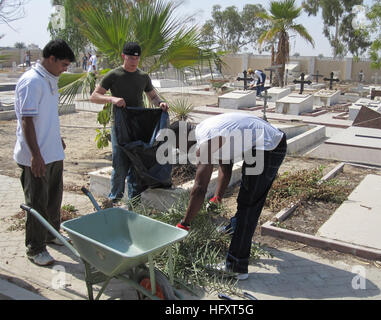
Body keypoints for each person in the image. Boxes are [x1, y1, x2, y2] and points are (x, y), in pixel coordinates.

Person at [171, 113, 287, 280]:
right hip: (264, 144)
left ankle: (236, 266)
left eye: (178, 145)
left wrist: (185, 223)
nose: (182, 150)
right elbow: (226, 166)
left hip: (269, 147)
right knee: (246, 200)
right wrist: (217, 197)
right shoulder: (205, 128)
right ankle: (234, 230)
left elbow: (199, 188)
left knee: (248, 205)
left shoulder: (206, 139)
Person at [14, 39, 75, 266]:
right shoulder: (32, 82)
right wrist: (35, 155)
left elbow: (45, 116)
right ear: (51, 59)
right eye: (64, 64)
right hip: (36, 157)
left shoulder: (50, 79)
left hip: (53, 153)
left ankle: (52, 234)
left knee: (53, 199)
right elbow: (27, 121)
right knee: (37, 204)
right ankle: (35, 249)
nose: (66, 69)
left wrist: (56, 139)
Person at [90, 42, 169, 205]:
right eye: (130, 58)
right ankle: (114, 199)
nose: (133, 61)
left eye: (136, 58)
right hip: (119, 126)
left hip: (138, 126)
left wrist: (160, 103)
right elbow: (94, 96)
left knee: (137, 163)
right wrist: (112, 99)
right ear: (123, 56)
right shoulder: (114, 75)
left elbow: (152, 96)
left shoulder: (143, 77)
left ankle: (134, 201)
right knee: (119, 163)